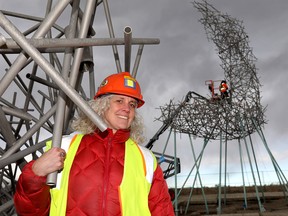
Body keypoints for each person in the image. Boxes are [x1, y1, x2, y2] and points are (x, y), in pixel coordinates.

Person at [14, 72, 175, 216]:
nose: (127, 108)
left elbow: (162, 210)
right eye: (120, 101)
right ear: (102, 105)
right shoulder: (64, 147)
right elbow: (29, 211)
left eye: (132, 104)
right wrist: (35, 174)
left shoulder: (146, 159)